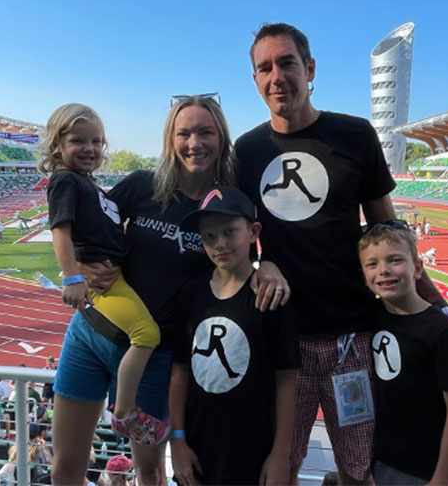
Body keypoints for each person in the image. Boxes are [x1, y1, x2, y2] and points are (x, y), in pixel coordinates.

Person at [235, 22, 448, 485]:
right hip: (283, 343)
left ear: (309, 69)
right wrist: (260, 261)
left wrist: (424, 293)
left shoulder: (355, 135)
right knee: (279, 467)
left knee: (358, 469)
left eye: (287, 63)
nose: (277, 77)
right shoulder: (246, 151)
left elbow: (385, 229)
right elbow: (233, 239)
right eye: (264, 68)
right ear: (255, 81)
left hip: (352, 341)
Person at [62, 96, 284, 486]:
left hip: (155, 356)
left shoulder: (227, 203)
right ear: (170, 139)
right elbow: (83, 226)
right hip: (90, 334)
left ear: (221, 139)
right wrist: (78, 265)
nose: (194, 142)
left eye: (205, 132)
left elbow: (249, 247)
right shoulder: (141, 185)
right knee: (65, 469)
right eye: (184, 133)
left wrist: (266, 263)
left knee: (149, 471)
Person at [39, 103, 167, 446]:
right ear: (57, 146)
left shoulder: (89, 184)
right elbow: (61, 231)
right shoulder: (66, 180)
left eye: (97, 141)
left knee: (143, 330)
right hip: (103, 283)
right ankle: (124, 411)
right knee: (147, 332)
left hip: (115, 275)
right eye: (79, 140)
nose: (90, 148)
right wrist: (72, 277)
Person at [169, 187, 299, 485]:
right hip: (199, 450)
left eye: (230, 231)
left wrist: (281, 454)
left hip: (253, 449)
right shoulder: (191, 294)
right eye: (209, 236)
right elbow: (180, 370)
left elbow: (286, 379)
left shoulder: (270, 297)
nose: (220, 244)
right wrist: (178, 441)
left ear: (254, 232)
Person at [358, 223, 448, 485]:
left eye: (395, 260)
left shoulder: (441, 331)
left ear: (418, 268)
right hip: (389, 464)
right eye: (372, 264)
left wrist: (443, 479)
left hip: (437, 472)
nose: (384, 270)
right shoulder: (372, 317)